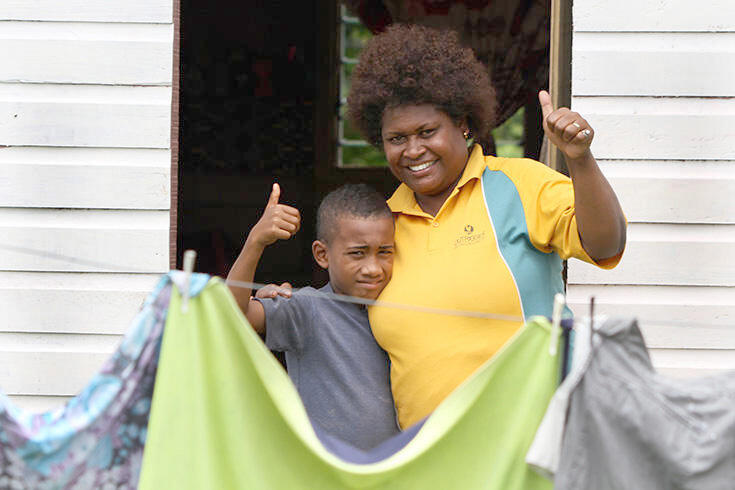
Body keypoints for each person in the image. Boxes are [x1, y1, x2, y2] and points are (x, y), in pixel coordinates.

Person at [347, 24, 627, 429]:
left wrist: (579, 159)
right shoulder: (382, 223)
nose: (413, 150)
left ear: (462, 123)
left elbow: (605, 243)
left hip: (527, 447)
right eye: (397, 138)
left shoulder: (519, 184)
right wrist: (279, 300)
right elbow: (335, 309)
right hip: (424, 457)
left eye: (427, 132)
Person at [226, 183, 400, 450]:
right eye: (357, 253)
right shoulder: (307, 309)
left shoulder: (405, 310)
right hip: (322, 472)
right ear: (322, 255)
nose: (373, 269)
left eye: (384, 252)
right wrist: (256, 241)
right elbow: (233, 315)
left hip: (397, 470)